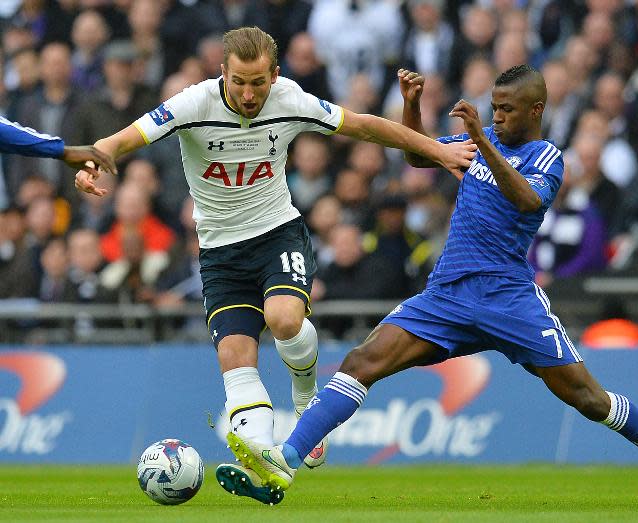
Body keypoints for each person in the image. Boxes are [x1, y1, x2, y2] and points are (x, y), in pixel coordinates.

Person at [230, 65, 638, 508]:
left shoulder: (547, 157)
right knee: (363, 362)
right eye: (493, 108)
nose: (496, 117)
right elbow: (417, 157)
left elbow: (525, 202)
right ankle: (285, 463)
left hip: (509, 298)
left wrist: (481, 141)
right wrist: (413, 107)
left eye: (506, 110)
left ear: (535, 109)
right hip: (448, 294)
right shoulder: (481, 140)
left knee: (589, 399)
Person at [73, 27, 475, 506]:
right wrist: (94, 163)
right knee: (235, 358)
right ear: (222, 73)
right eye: (239, 81)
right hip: (221, 255)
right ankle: (263, 456)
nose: (249, 93)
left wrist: (438, 150)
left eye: (259, 82)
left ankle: (307, 398)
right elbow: (120, 139)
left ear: (275, 75)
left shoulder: (291, 98)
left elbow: (368, 126)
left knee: (285, 320)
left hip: (276, 234)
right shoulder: (193, 104)